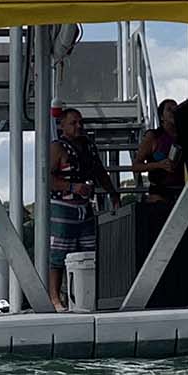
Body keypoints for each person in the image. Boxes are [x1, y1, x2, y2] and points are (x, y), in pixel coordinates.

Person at [47, 107, 118, 309]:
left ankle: (84, 294)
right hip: (63, 206)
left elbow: (99, 170)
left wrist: (112, 192)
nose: (78, 126)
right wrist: (71, 186)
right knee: (59, 253)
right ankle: (55, 297)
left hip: (85, 207)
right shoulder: (57, 148)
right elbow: (48, 179)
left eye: (80, 123)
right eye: (73, 123)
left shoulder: (88, 146)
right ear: (62, 126)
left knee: (89, 251)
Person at [132, 128, 183, 203]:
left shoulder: (184, 132)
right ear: (162, 117)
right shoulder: (153, 136)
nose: (173, 116)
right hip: (160, 192)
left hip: (184, 188)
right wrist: (159, 165)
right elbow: (135, 167)